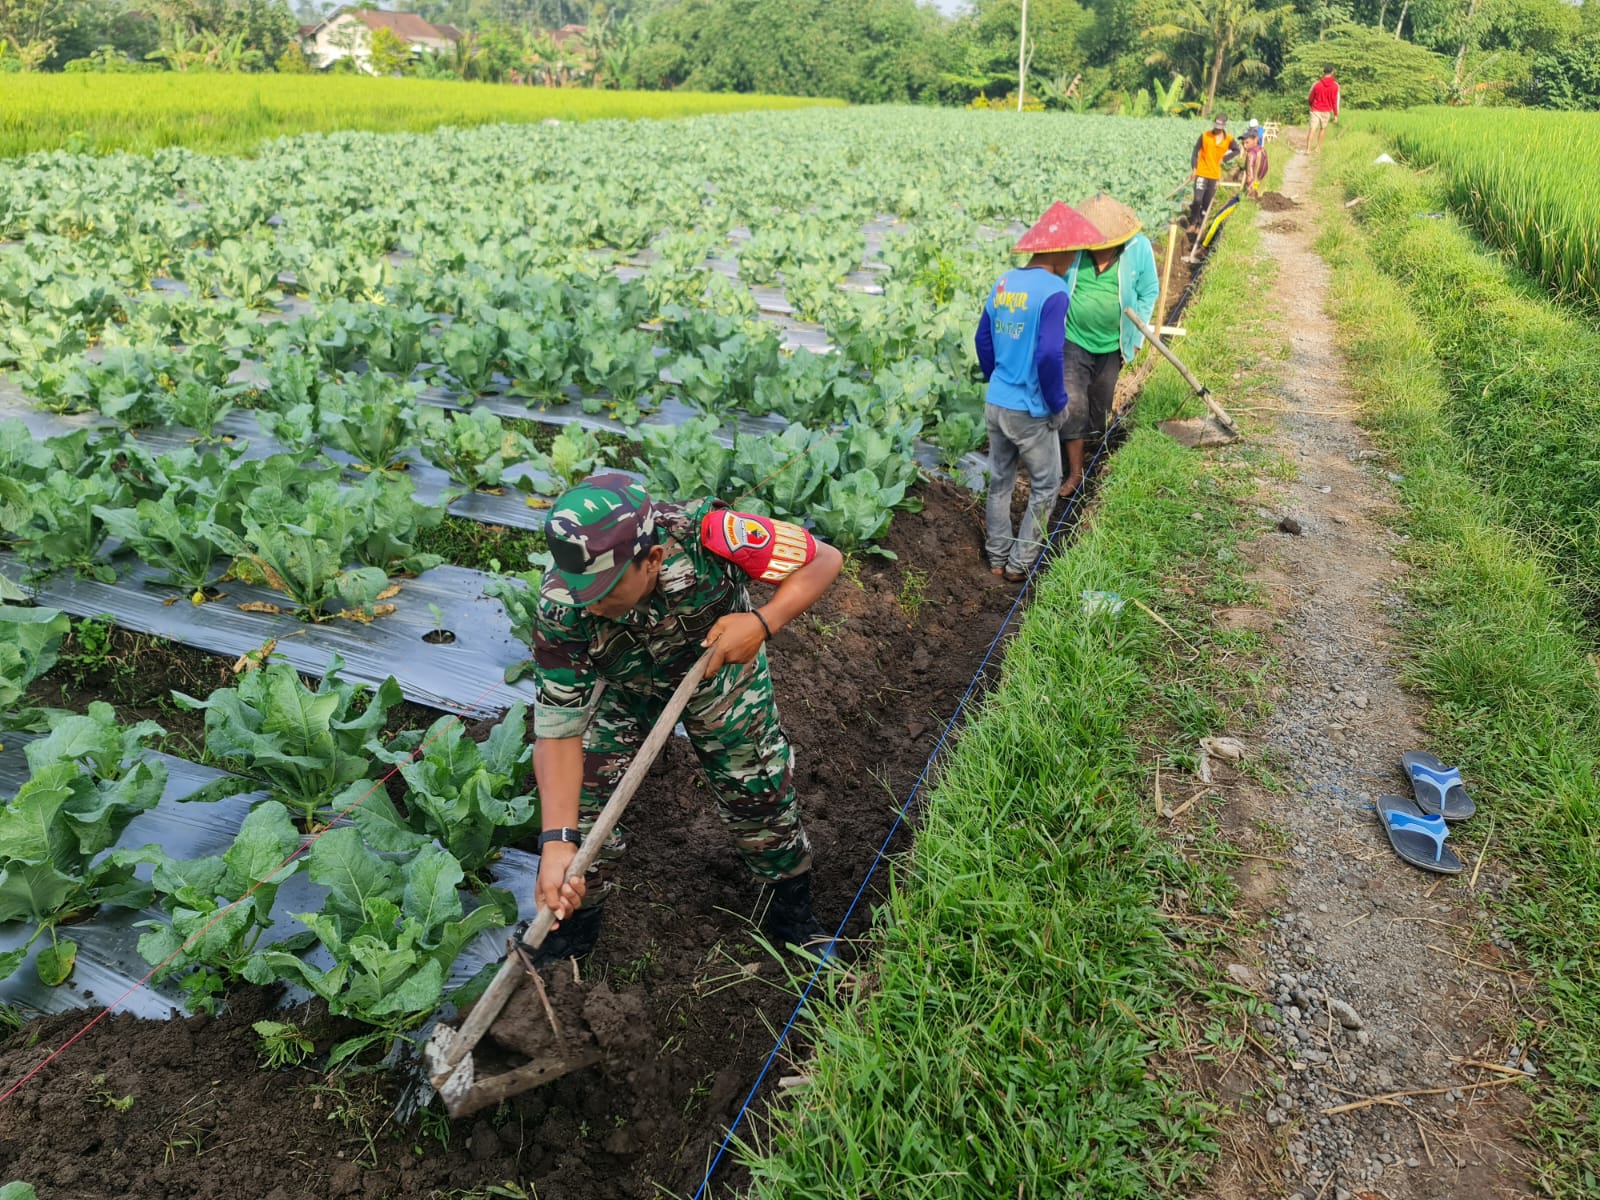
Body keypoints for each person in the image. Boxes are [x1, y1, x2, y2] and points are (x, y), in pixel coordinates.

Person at [528, 473, 844, 961]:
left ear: (651, 560)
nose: (589, 604)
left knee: (755, 783)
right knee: (583, 811)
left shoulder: (712, 534)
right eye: (579, 591)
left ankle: (792, 914)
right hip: (625, 687)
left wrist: (762, 621)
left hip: (720, 668)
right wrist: (556, 843)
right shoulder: (563, 607)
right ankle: (574, 933)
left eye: (604, 592)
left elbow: (824, 559)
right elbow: (559, 729)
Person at [974, 202, 1096, 581]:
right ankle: (1019, 565)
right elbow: (1046, 354)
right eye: (1074, 251)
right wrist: (1057, 404)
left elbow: (983, 339)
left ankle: (996, 557)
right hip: (1030, 408)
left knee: (1000, 481)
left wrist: (1000, 379)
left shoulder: (1005, 282)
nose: (1076, 258)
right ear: (1058, 251)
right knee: (1045, 487)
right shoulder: (1055, 291)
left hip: (997, 402)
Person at [1054, 193, 1162, 497]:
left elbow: (1148, 291)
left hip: (1114, 343)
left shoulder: (1137, 248)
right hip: (1073, 337)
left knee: (1099, 406)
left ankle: (1094, 454)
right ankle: (1074, 472)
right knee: (1072, 401)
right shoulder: (1074, 250)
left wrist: (1137, 337)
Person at [1188, 115, 1240, 234]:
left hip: (1215, 175)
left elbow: (1237, 150)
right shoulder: (1205, 136)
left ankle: (1200, 223)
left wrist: (1225, 158)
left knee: (1207, 202)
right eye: (1216, 126)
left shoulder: (1229, 139)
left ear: (1224, 126)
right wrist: (1194, 168)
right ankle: (1193, 222)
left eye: (1220, 127)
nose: (1217, 129)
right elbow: (1195, 152)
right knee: (1197, 199)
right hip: (1202, 172)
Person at [1308, 66, 1340, 153]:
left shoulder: (1317, 84)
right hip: (1326, 110)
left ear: (1323, 73)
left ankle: (1307, 149)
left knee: (1312, 129)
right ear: (1332, 73)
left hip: (1315, 109)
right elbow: (1334, 101)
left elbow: (1311, 98)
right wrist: (1336, 115)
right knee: (1323, 128)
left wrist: (1311, 105)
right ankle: (1317, 148)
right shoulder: (1335, 86)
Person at [1239, 127, 1269, 198]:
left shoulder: (1251, 154)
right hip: (1259, 181)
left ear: (1256, 140)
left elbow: (1249, 173)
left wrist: (1249, 187)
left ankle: (1251, 196)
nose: (1244, 146)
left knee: (1251, 194)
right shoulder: (1262, 150)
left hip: (1252, 187)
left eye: (1247, 142)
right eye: (1243, 143)